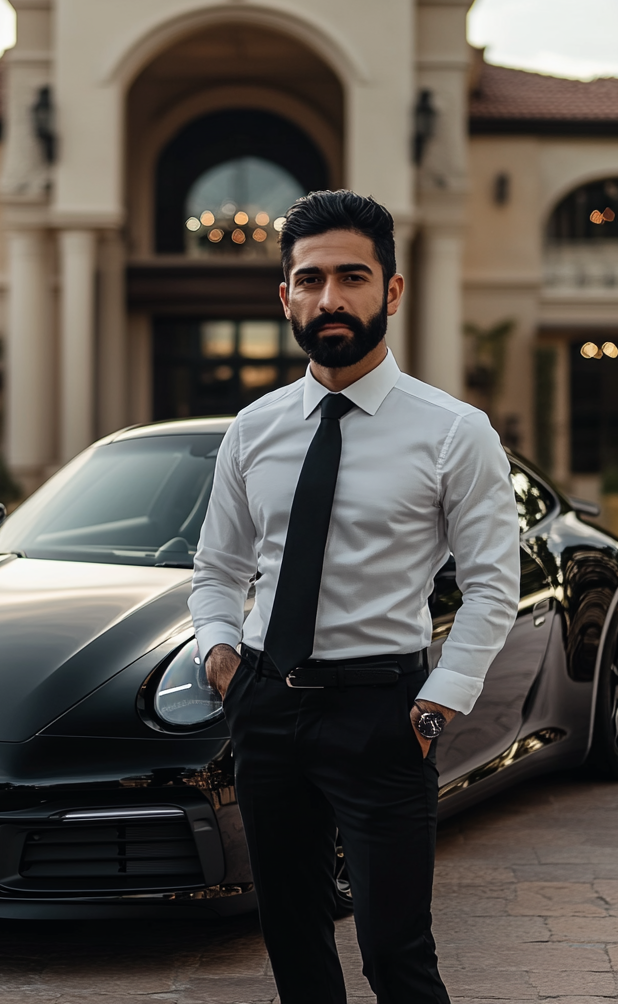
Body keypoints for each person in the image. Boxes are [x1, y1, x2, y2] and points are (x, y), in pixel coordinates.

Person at [188, 190, 521, 1004]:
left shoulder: (453, 431)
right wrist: (222, 655)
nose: (329, 299)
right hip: (267, 707)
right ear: (286, 296)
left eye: (352, 276)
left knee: (395, 952)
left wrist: (440, 700)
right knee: (293, 942)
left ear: (391, 291)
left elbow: (490, 583)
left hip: (384, 712)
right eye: (310, 280)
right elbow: (217, 568)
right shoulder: (254, 428)